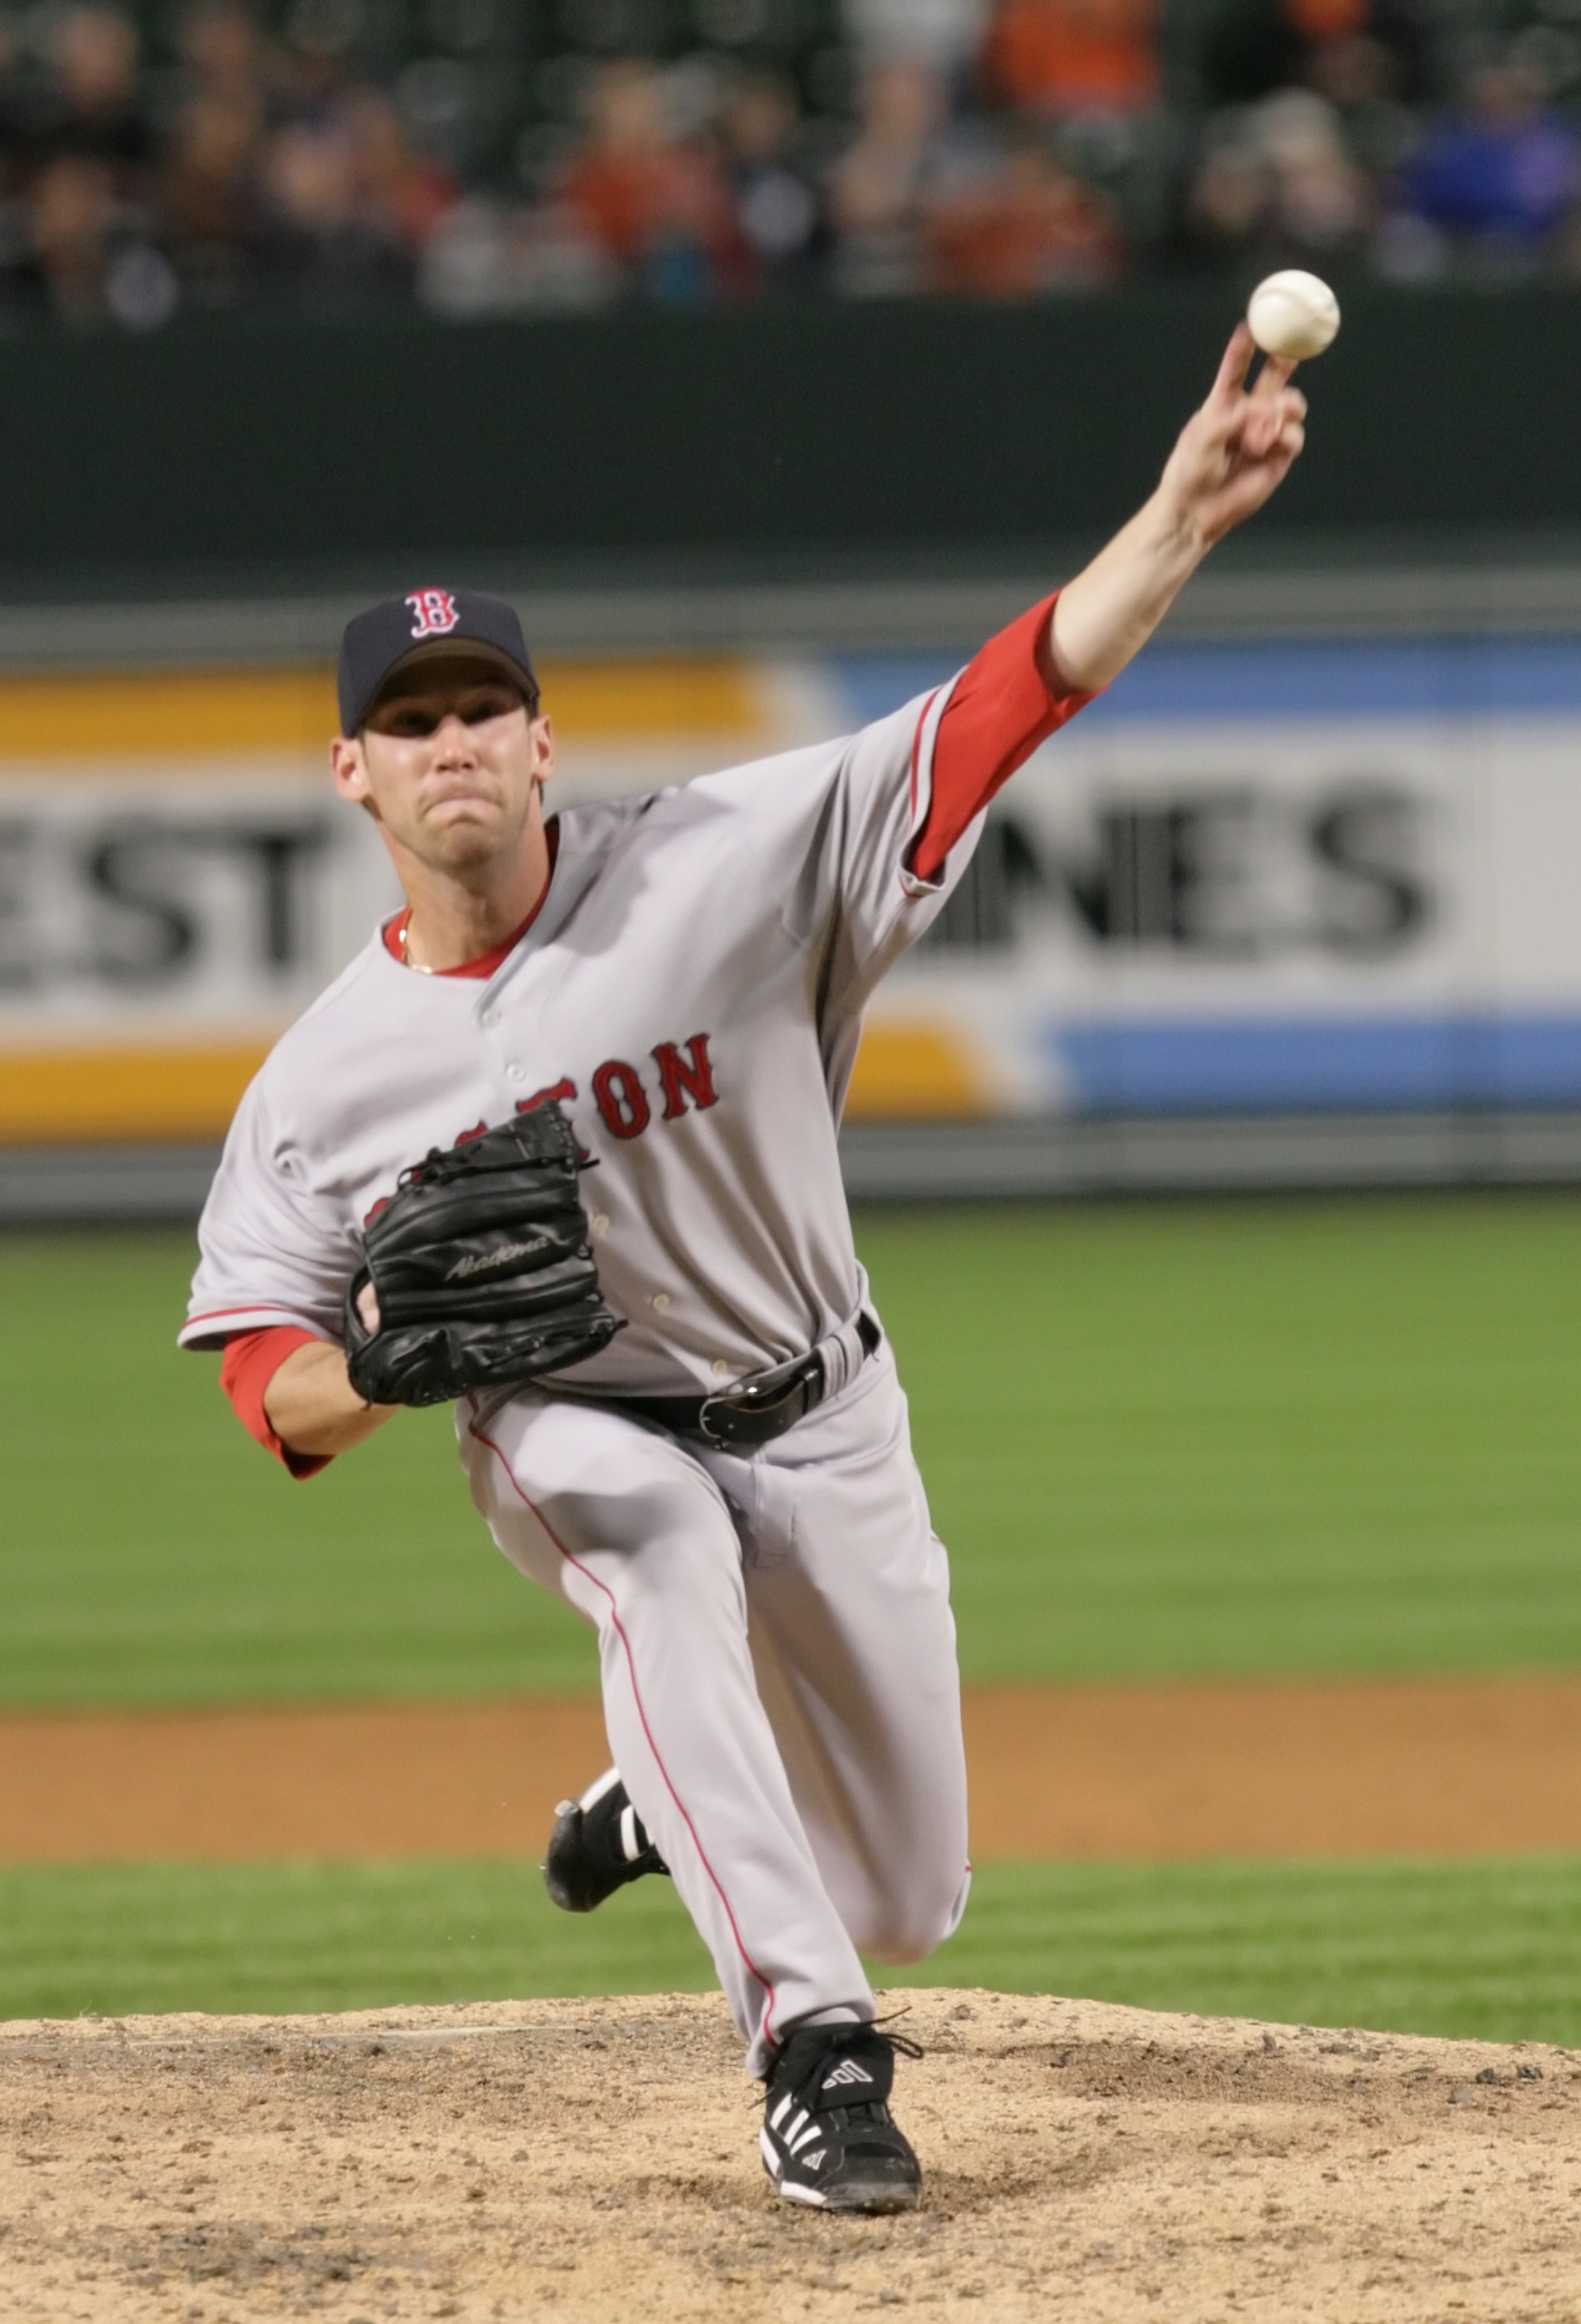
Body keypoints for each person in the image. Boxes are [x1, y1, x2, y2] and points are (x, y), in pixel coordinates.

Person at [180, 328, 1306, 2214]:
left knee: (913, 1894)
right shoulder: (320, 1079)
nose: (451, 742)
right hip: (578, 1418)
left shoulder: (726, 861)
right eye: (411, 720)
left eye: (484, 709)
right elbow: (257, 1382)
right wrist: (381, 1369)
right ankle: (815, 2062)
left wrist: (1175, 517)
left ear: (545, 741)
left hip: (824, 1402)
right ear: (351, 772)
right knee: (645, 1536)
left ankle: (665, 1804)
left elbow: (998, 706)